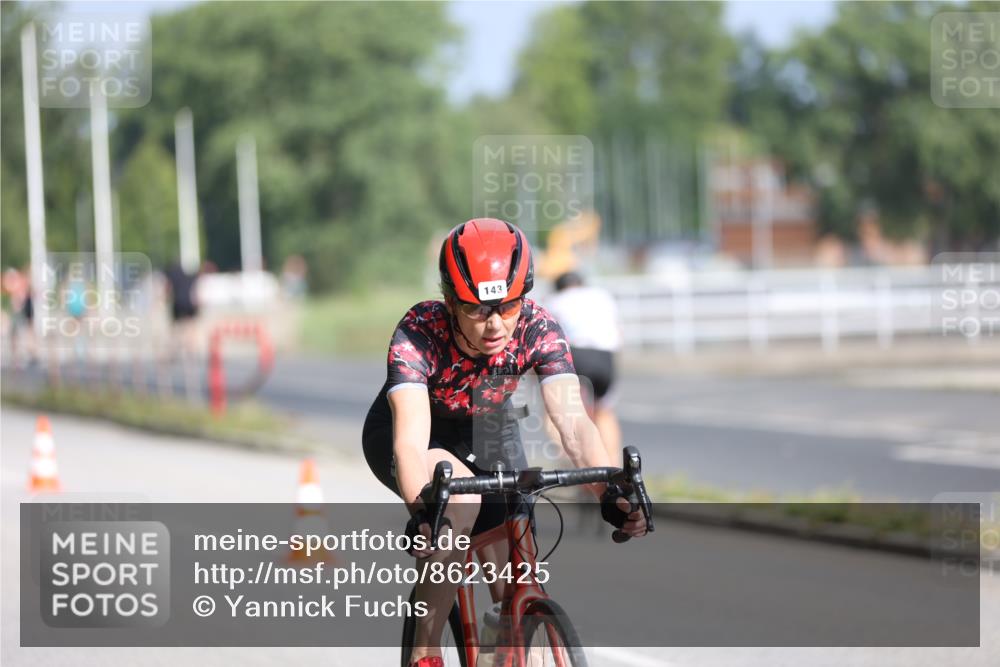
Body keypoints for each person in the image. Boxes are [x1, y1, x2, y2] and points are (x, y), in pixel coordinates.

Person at [362, 218, 647, 667]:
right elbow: (412, 443)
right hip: (418, 431)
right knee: (459, 507)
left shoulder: (538, 327)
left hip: (487, 427)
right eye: (477, 309)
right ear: (451, 301)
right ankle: (425, 652)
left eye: (508, 305)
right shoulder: (420, 331)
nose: (495, 324)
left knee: (515, 573)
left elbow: (574, 424)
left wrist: (607, 491)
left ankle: (507, 650)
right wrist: (424, 513)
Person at [544, 271, 624, 463]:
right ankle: (612, 467)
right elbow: (619, 334)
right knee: (604, 411)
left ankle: (570, 462)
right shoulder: (602, 296)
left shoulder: (555, 301)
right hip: (606, 356)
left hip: (574, 354)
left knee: (556, 409)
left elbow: (544, 340)